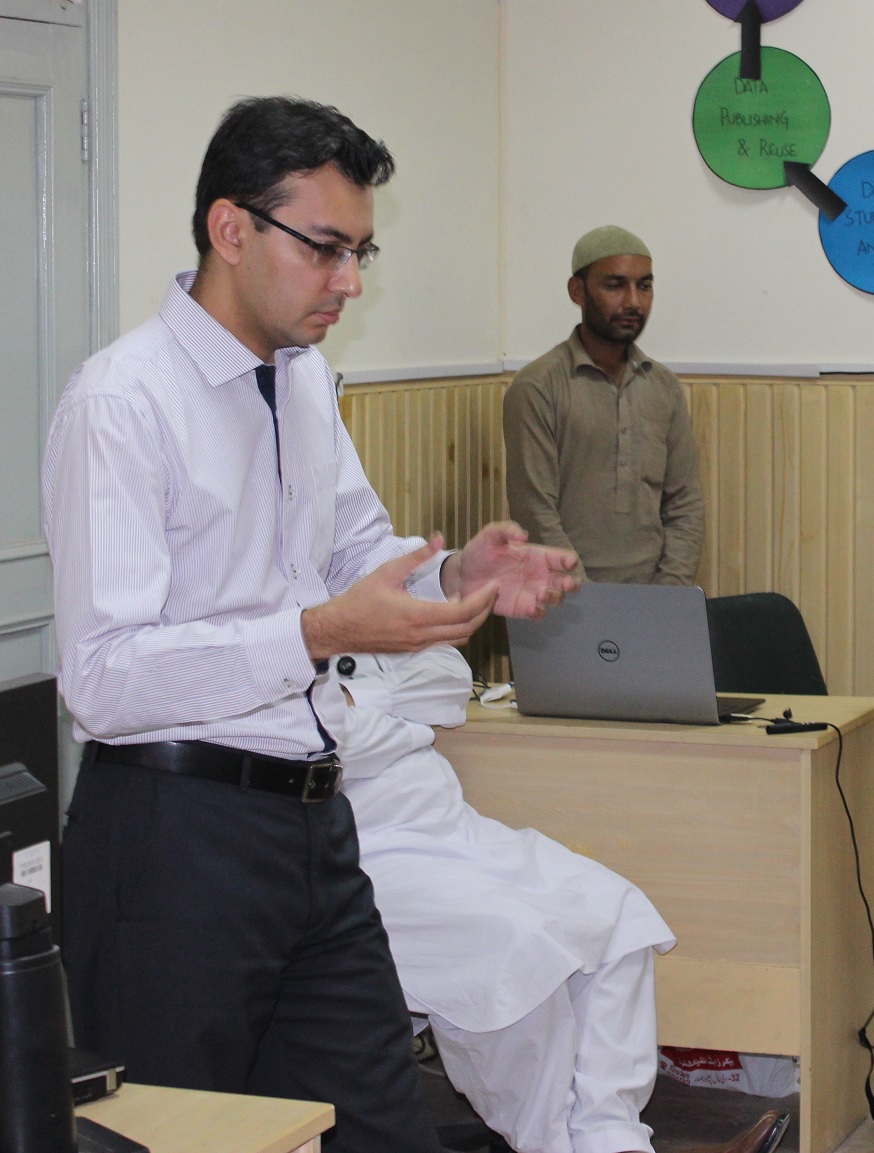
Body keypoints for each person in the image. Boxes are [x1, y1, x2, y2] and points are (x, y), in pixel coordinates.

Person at [44, 96, 580, 1153]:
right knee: (176, 1137)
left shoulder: (302, 384)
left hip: (315, 823)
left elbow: (353, 559)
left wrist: (455, 576)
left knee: (382, 1128)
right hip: (170, 837)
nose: (349, 281)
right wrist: (313, 631)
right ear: (231, 229)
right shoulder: (121, 402)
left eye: (359, 252)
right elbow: (102, 677)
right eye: (326, 248)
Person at [335, 645, 787, 1153]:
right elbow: (326, 738)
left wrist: (361, 698)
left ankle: (611, 1138)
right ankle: (553, 1145)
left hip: (455, 829)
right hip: (363, 851)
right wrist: (398, 711)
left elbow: (450, 680)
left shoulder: (375, 610)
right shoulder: (287, 629)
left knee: (614, 911)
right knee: (521, 946)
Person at [504, 226, 704, 585]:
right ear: (577, 291)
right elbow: (536, 513)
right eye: (615, 286)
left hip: (655, 596)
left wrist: (669, 594)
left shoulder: (664, 387)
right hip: (564, 597)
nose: (634, 302)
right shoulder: (538, 387)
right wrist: (590, 603)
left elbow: (685, 505)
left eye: (644, 286)